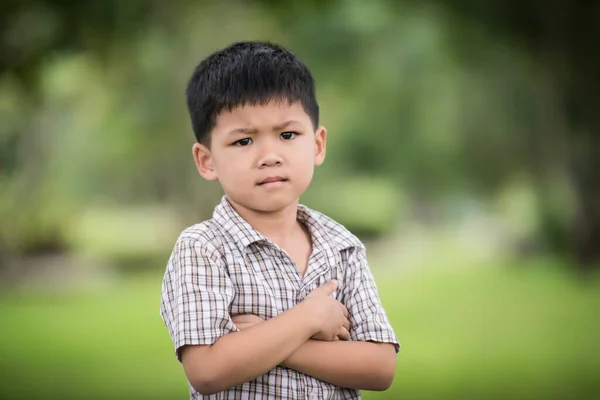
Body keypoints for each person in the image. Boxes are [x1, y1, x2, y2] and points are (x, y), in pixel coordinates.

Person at [160, 41, 399, 400]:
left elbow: (380, 367)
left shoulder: (342, 247)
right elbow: (208, 369)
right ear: (207, 160)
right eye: (243, 141)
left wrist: (271, 340)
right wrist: (308, 319)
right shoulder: (203, 249)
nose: (269, 156)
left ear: (317, 145)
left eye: (287, 135)